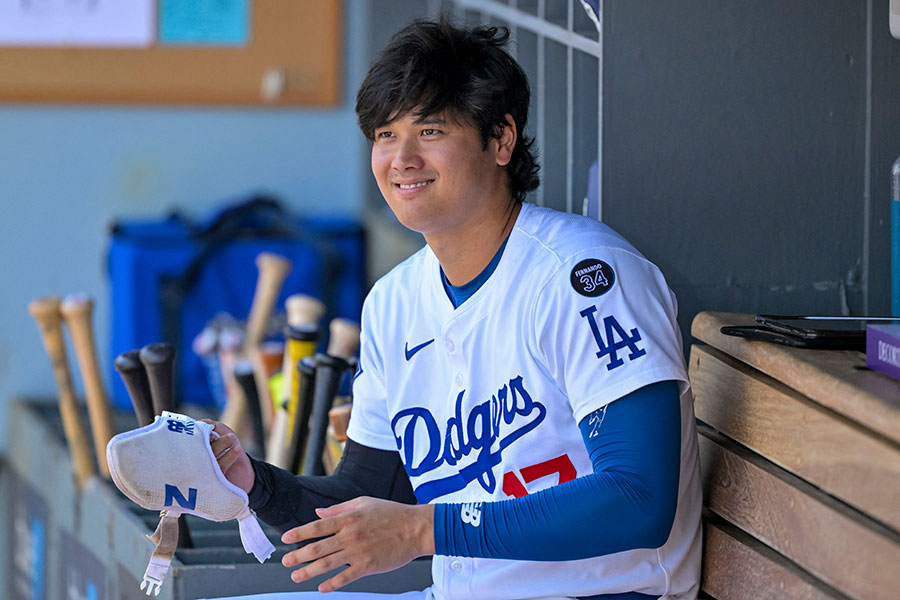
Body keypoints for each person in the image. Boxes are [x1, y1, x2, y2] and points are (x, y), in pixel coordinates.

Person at [207, 17, 702, 600]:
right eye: (385, 134)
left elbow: (637, 498)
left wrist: (423, 529)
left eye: (431, 130)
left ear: (501, 140)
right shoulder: (393, 302)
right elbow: (368, 499)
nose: (401, 158)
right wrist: (249, 482)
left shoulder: (584, 276)